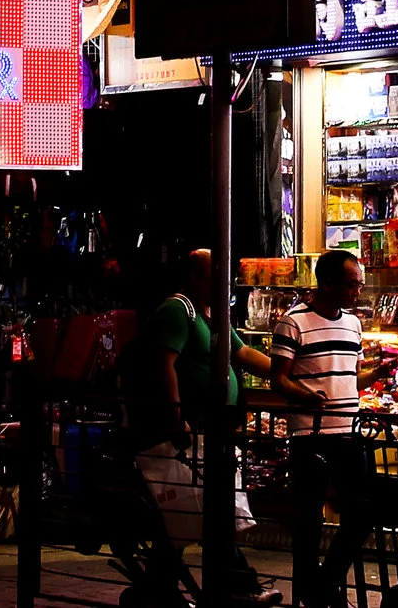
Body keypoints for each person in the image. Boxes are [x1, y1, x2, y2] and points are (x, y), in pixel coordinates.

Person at [131, 250, 274, 604]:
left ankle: (156, 590)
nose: (224, 283)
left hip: (211, 431)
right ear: (195, 277)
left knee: (184, 511)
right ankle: (240, 586)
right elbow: (164, 364)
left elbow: (242, 355)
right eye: (215, 275)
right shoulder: (179, 311)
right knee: (209, 509)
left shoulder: (213, 317)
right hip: (190, 433)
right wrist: (176, 414)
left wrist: (288, 373)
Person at [274, 250, 370, 608]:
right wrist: (308, 396)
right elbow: (278, 379)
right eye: (351, 285)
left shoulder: (353, 324)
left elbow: (352, 374)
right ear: (327, 283)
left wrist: (385, 372)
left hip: (348, 431)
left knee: (361, 514)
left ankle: (322, 584)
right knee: (309, 521)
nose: (356, 293)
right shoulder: (293, 322)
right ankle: (312, 592)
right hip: (309, 436)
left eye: (359, 285)